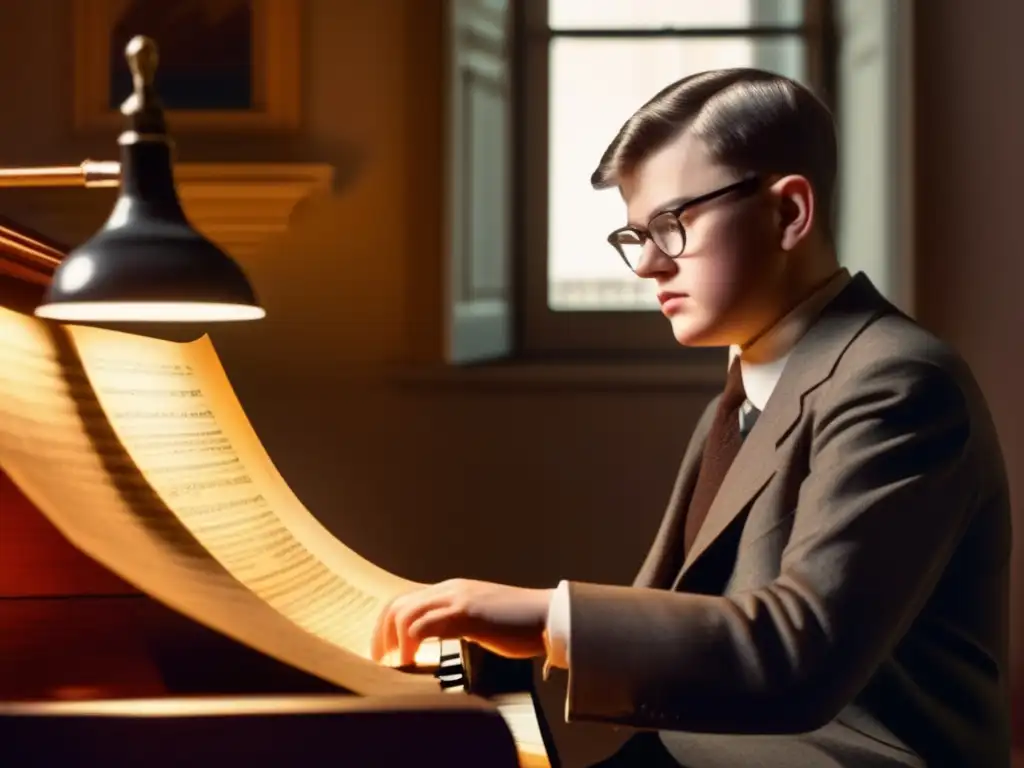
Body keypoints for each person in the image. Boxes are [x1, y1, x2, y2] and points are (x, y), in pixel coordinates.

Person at [370, 69, 1012, 767]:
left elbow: (799, 652)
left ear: (789, 213)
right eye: (634, 234)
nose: (646, 264)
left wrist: (544, 615)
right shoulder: (739, 393)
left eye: (672, 225)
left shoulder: (899, 383)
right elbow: (682, 620)